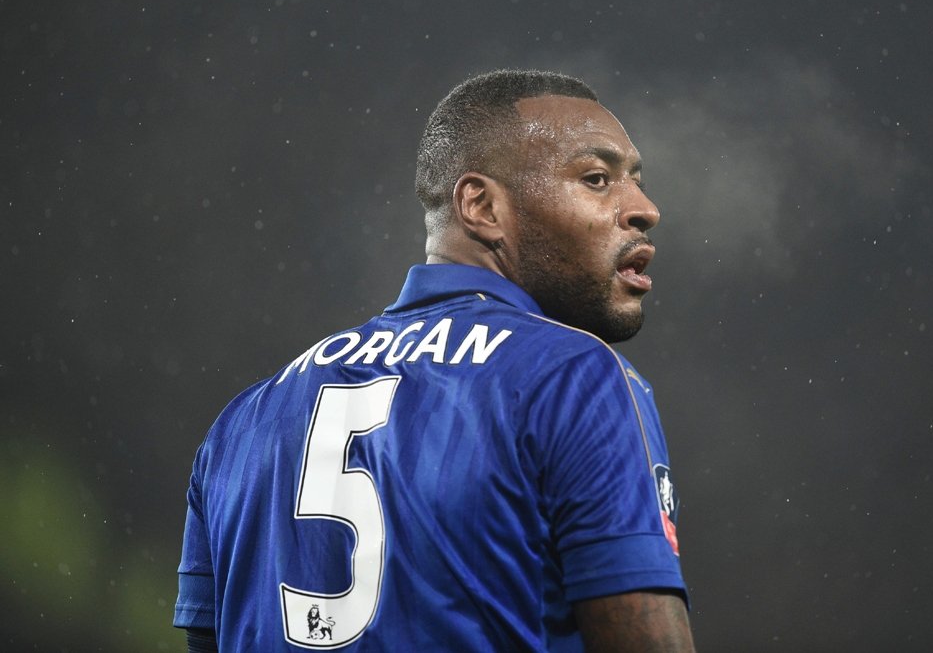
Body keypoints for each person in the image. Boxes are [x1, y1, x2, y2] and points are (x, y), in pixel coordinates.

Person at [173, 69, 695, 652]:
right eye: (598, 179)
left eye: (636, 181)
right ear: (481, 206)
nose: (644, 208)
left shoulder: (243, 421)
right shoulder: (573, 376)